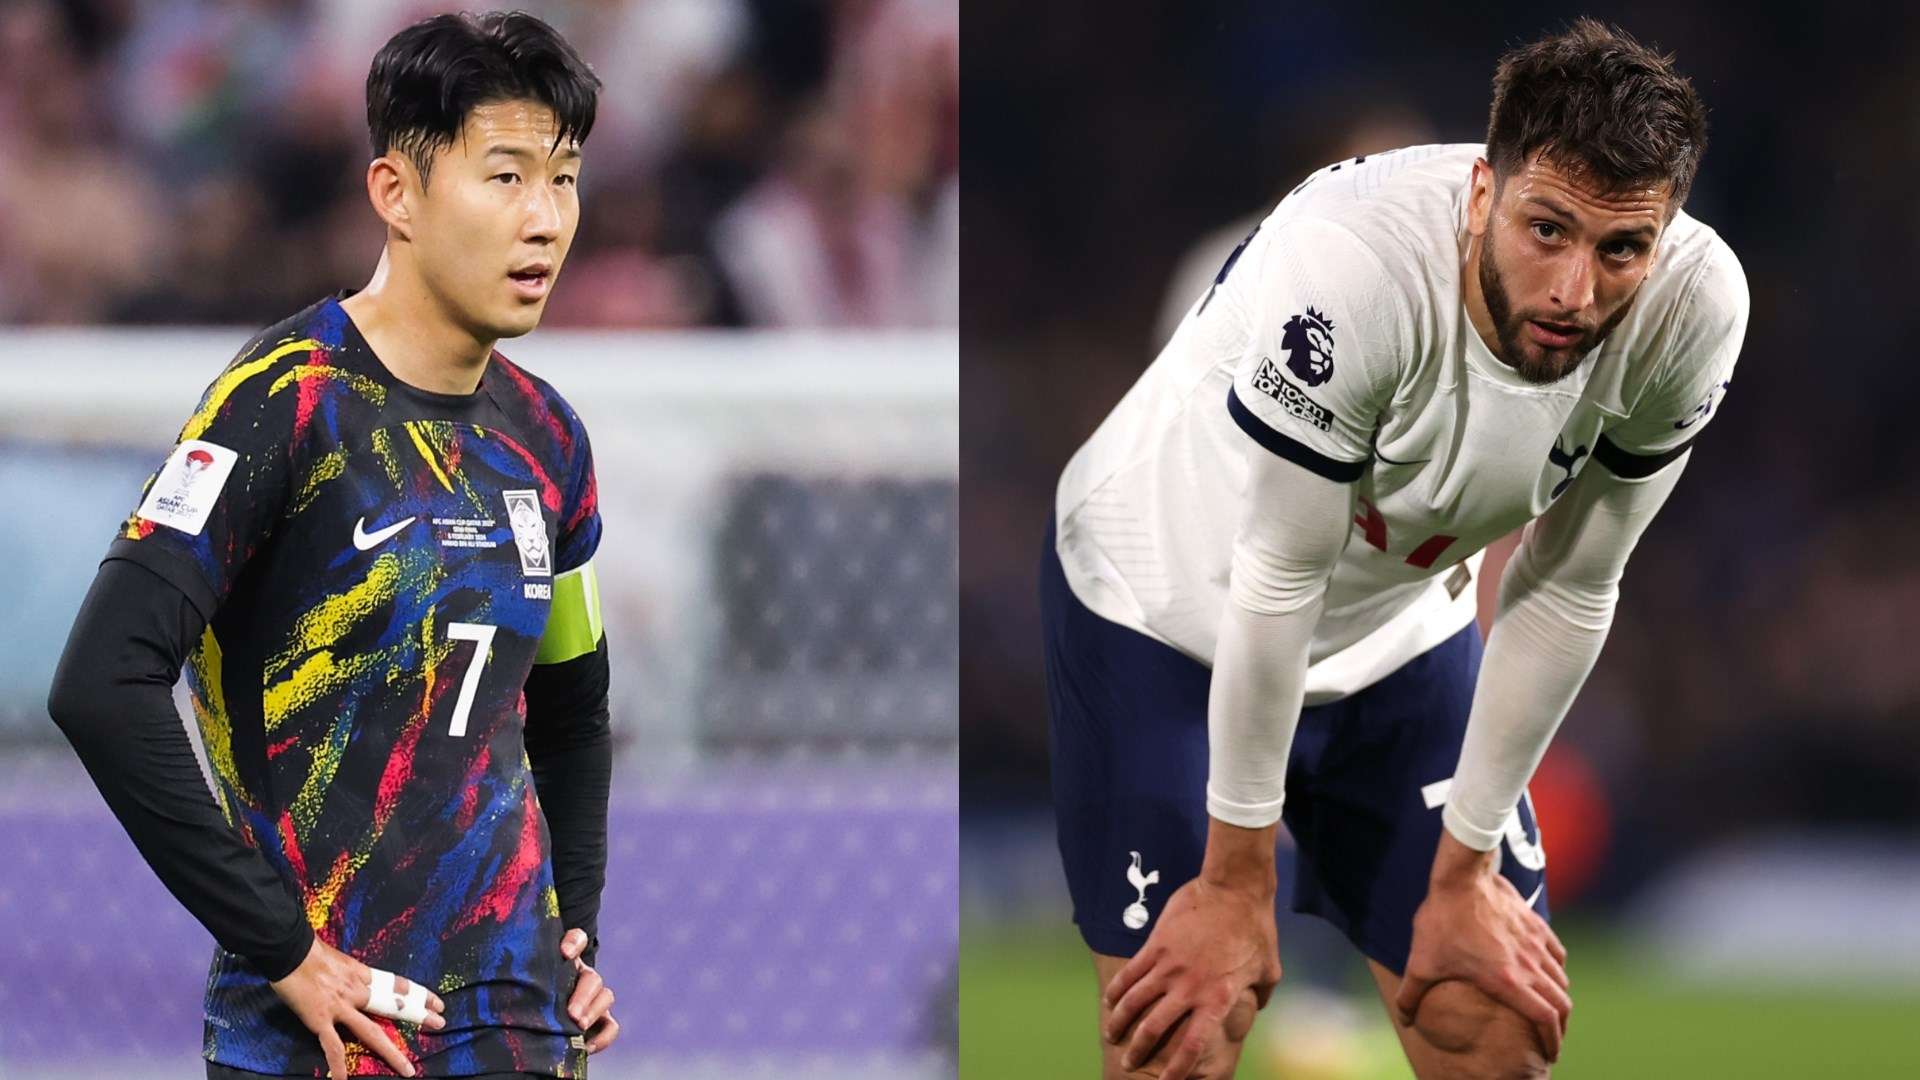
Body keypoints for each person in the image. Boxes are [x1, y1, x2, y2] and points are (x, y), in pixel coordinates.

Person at [1042, 19, 1745, 1079]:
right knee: (1184, 1030)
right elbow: (1276, 572)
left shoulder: (1694, 309)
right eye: (1546, 229)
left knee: (1491, 1020)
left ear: (1666, 232)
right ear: (1480, 194)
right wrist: (1236, 881)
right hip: (1164, 607)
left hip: (1397, 633)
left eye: (1620, 249)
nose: (1573, 291)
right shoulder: (1355, 262)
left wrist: (1465, 872)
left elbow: (1568, 587)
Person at [47, 12, 619, 1078]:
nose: (545, 219)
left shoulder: (548, 439)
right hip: (322, 1039)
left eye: (565, 179)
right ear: (394, 193)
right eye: (505, 178)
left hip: (520, 1030)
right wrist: (282, 949)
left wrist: (575, 929)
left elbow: (573, 702)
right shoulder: (283, 403)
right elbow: (102, 681)